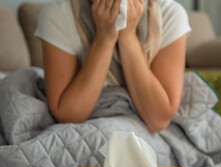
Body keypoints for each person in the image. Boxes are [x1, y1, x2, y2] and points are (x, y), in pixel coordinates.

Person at [35, 0, 191, 132]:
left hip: (143, 131)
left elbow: (158, 120)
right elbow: (68, 116)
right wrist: (104, 39)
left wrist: (128, 37)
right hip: (86, 129)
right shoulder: (58, 15)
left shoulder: (170, 14)